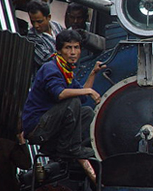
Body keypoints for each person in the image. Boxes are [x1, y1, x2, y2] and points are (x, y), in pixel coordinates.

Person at [21, 29, 105, 181]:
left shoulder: (66, 70)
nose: (73, 52)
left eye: (76, 48)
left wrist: (93, 73)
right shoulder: (51, 68)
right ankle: (70, 148)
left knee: (86, 111)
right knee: (71, 102)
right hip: (37, 128)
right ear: (59, 50)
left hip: (51, 125)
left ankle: (64, 146)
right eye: (68, 48)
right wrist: (88, 91)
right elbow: (59, 94)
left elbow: (83, 96)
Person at [26, 0, 64, 68]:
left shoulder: (57, 26)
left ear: (48, 17)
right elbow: (46, 60)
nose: (36, 25)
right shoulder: (32, 37)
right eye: (33, 22)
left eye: (39, 21)